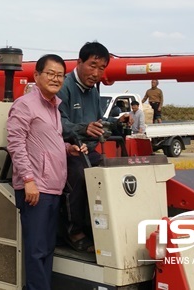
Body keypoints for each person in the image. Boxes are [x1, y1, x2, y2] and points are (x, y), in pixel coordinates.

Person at [7, 54, 86, 290]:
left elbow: (46, 142)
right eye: (50, 73)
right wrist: (28, 180)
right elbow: (15, 143)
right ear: (37, 75)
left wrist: (68, 149)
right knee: (36, 251)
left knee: (46, 250)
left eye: (60, 75)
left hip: (53, 187)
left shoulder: (54, 106)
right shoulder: (25, 105)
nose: (55, 79)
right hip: (36, 189)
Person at [56, 41, 130, 253]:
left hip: (88, 150)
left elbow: (97, 123)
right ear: (79, 62)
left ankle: (102, 228)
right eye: (92, 65)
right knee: (80, 174)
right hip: (66, 150)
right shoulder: (64, 87)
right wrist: (83, 129)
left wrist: (117, 122)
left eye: (102, 68)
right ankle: (73, 231)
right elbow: (57, 124)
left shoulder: (92, 91)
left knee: (111, 172)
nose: (97, 73)